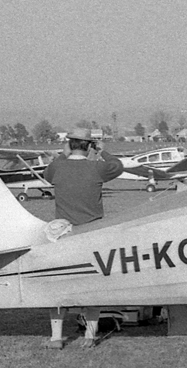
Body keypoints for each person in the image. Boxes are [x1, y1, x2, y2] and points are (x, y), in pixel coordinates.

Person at [41, 127, 124, 350]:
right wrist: (103, 152)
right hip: (92, 231)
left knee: (60, 285)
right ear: (89, 146)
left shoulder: (58, 166)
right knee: (92, 285)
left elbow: (47, 175)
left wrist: (62, 154)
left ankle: (56, 338)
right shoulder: (97, 167)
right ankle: (89, 335)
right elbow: (118, 166)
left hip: (64, 233)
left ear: (70, 144)